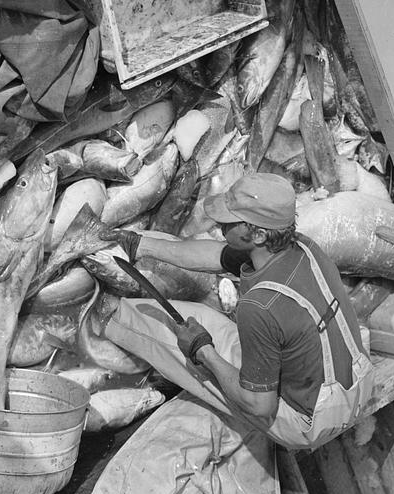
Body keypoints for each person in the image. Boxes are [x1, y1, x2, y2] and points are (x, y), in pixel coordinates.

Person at [102, 173, 373, 449]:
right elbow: (215, 256)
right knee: (209, 326)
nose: (219, 223)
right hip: (356, 386)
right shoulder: (302, 247)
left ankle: (106, 320)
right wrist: (140, 245)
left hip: (309, 423)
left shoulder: (258, 306)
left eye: (229, 220)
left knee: (174, 339)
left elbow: (260, 406)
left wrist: (202, 350)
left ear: (257, 233)